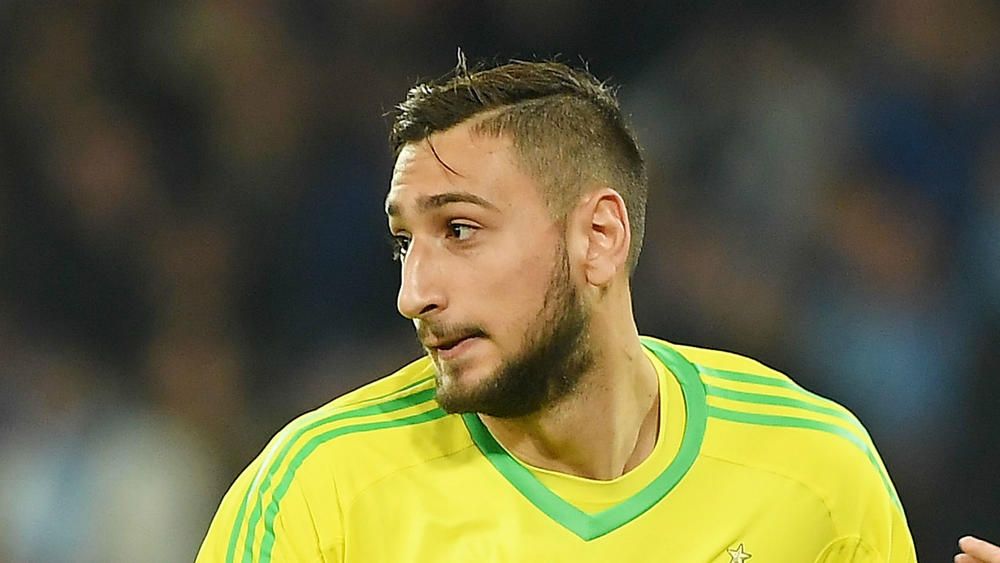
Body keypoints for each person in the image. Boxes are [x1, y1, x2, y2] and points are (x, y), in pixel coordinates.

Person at [197, 58, 916, 562]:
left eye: (459, 230)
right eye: (403, 244)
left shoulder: (816, 474)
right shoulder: (320, 496)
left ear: (598, 238)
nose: (413, 294)